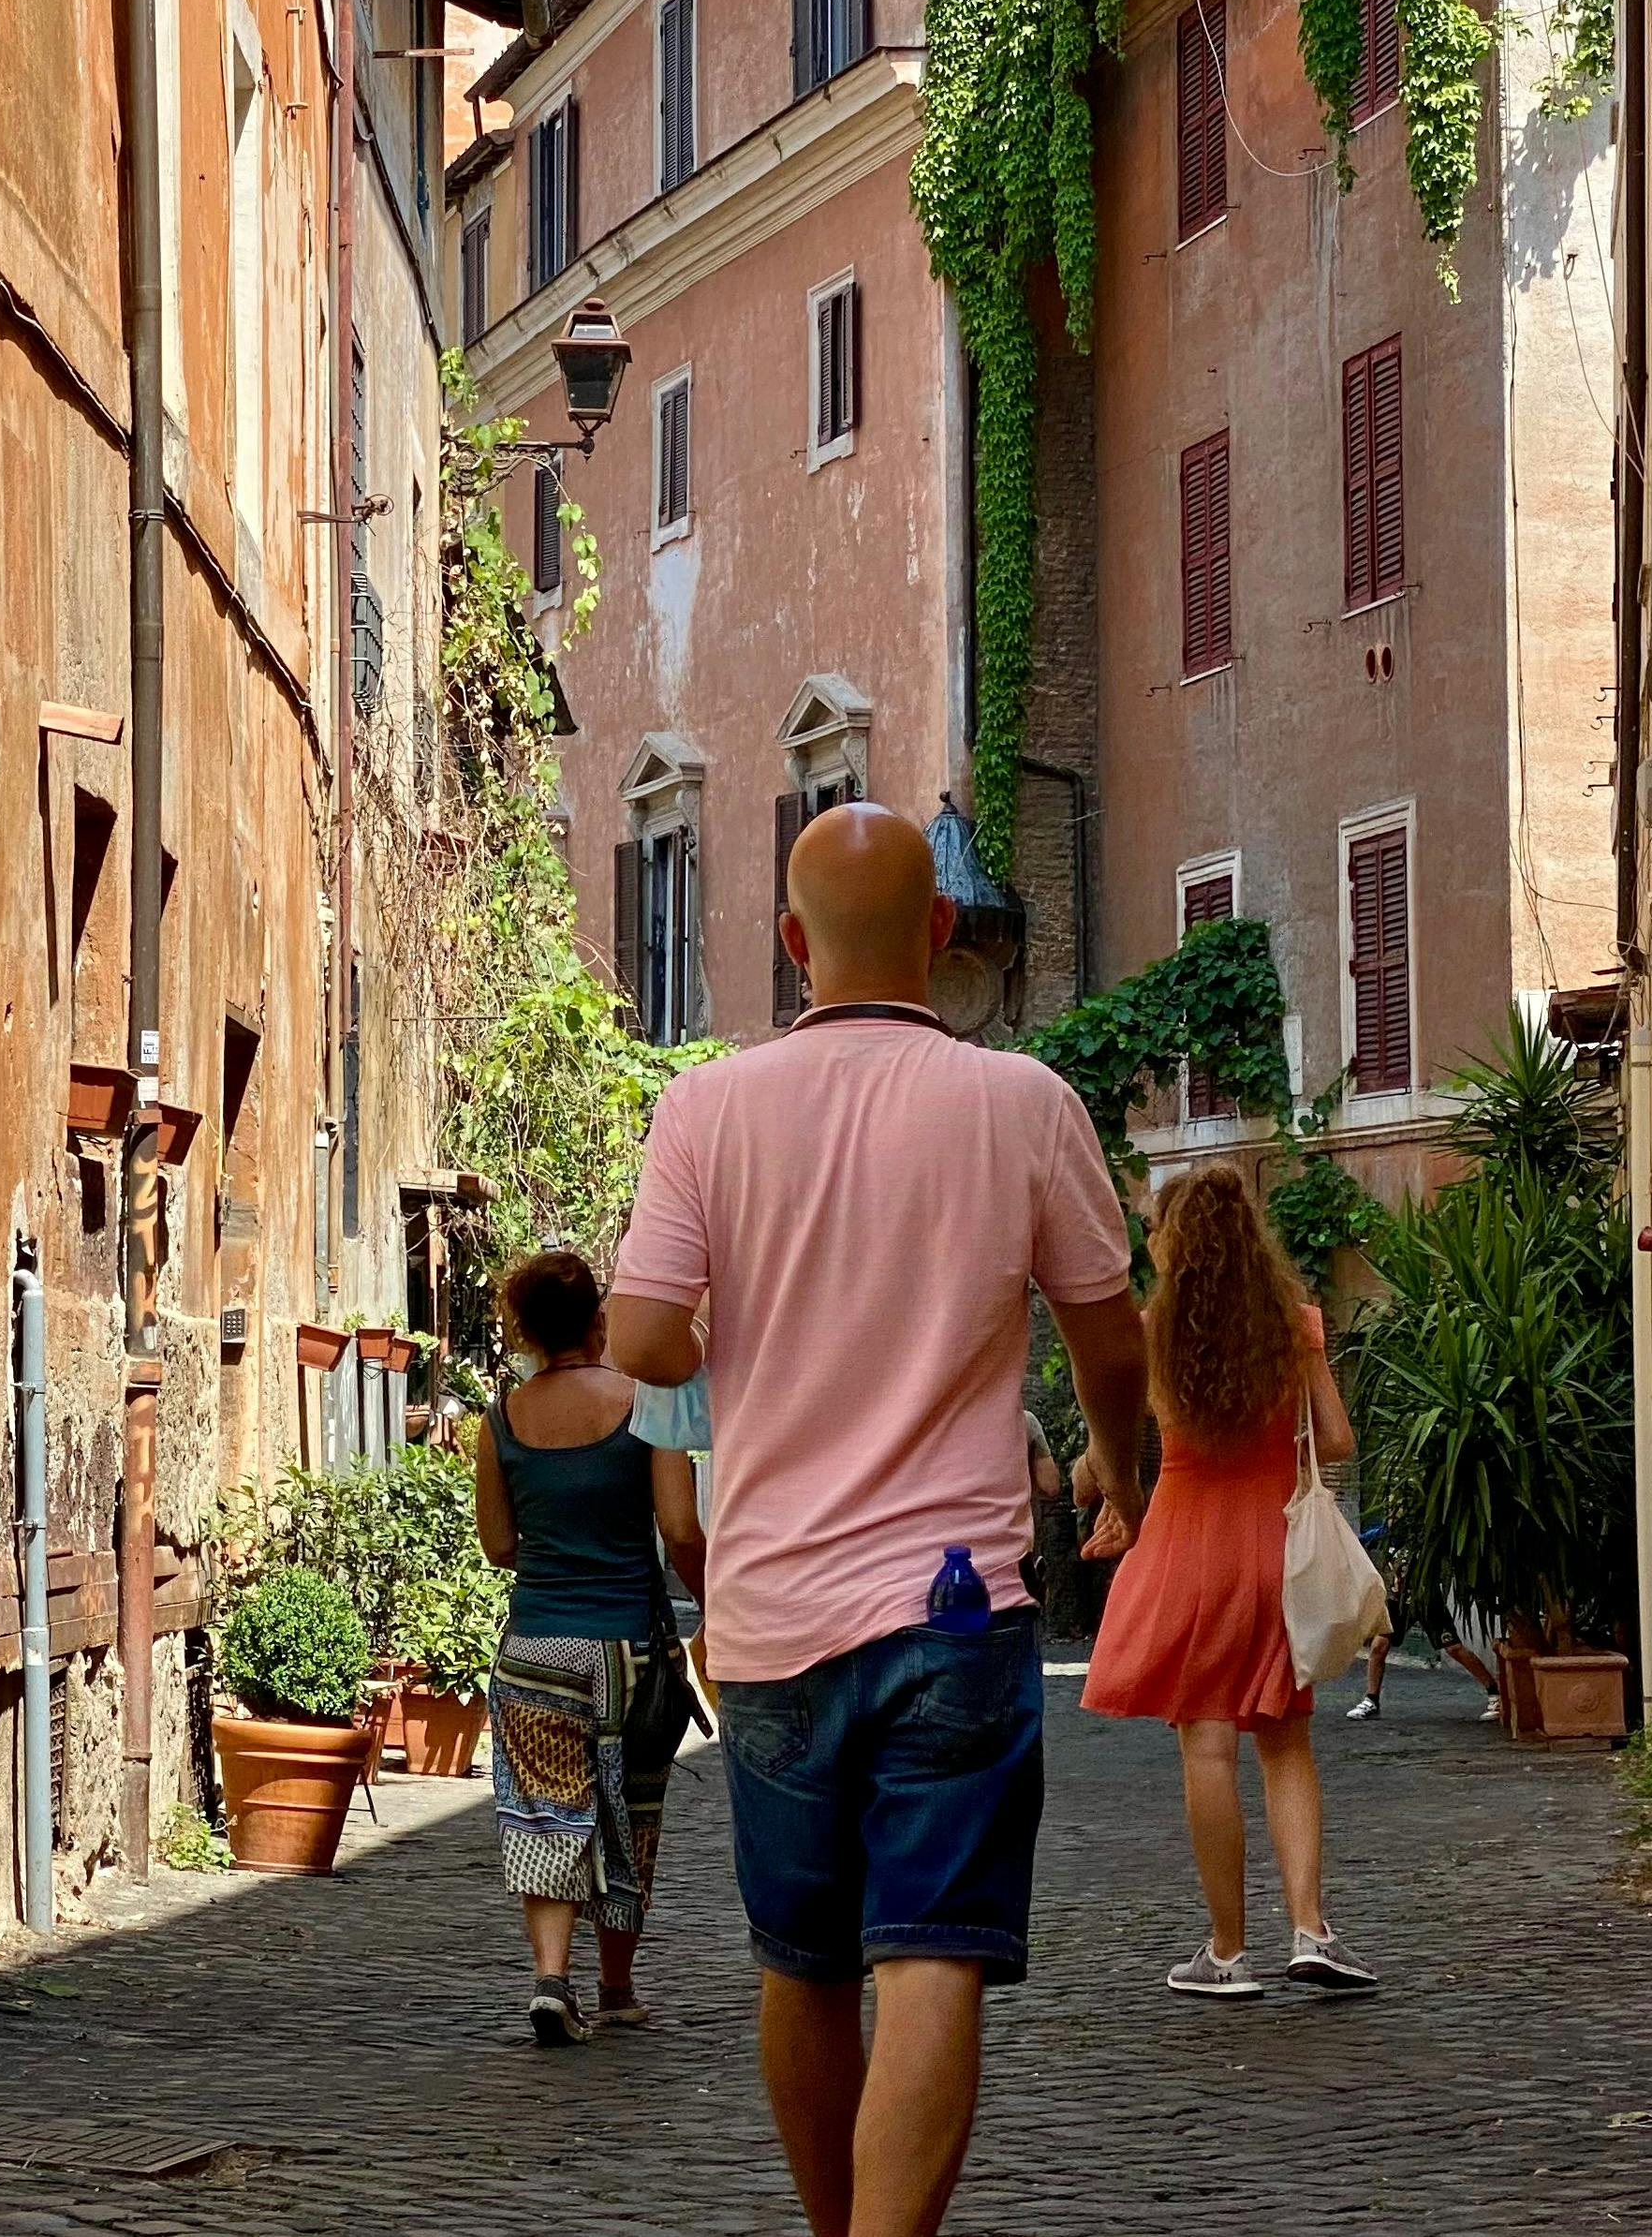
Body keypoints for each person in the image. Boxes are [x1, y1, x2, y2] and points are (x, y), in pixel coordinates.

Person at [606, 801, 1149, 2237]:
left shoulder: (706, 1109)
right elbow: (1108, 1332)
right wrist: (1117, 1463)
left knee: (804, 1962)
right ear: (945, 934)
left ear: (791, 942)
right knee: (932, 1961)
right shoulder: (1023, 1102)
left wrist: (736, 1321)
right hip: (959, 1609)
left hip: (775, 1617)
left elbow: (647, 1336)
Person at [1080, 1165, 1381, 1996]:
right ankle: (1311, 1930)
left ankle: (1225, 1951)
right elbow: (1339, 1437)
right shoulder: (1295, 1326)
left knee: (1206, 1746)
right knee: (1285, 1742)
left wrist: (1102, 1488)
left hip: (1183, 1548)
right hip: (1273, 1547)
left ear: (1174, 1243)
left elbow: (1107, 1450)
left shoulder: (1149, 1334)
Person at [473, 1251, 706, 2046]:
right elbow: (679, 1529)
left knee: (543, 1810)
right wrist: (719, 1604)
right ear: (599, 1322)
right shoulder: (648, 1404)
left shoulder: (499, 1421)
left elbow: (499, 1544)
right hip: (629, 1653)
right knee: (630, 1811)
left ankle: (550, 1977)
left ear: (527, 1331)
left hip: (534, 1646)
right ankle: (615, 1985)